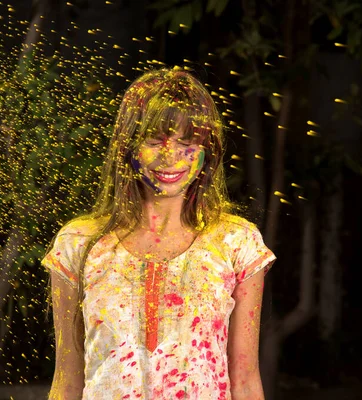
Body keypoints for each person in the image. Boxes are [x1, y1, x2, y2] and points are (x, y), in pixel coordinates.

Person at [42, 67, 276, 399]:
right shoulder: (78, 245)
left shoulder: (236, 243)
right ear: (128, 146)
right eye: (154, 140)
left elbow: (245, 380)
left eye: (187, 142)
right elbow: (66, 378)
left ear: (208, 149)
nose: (170, 157)